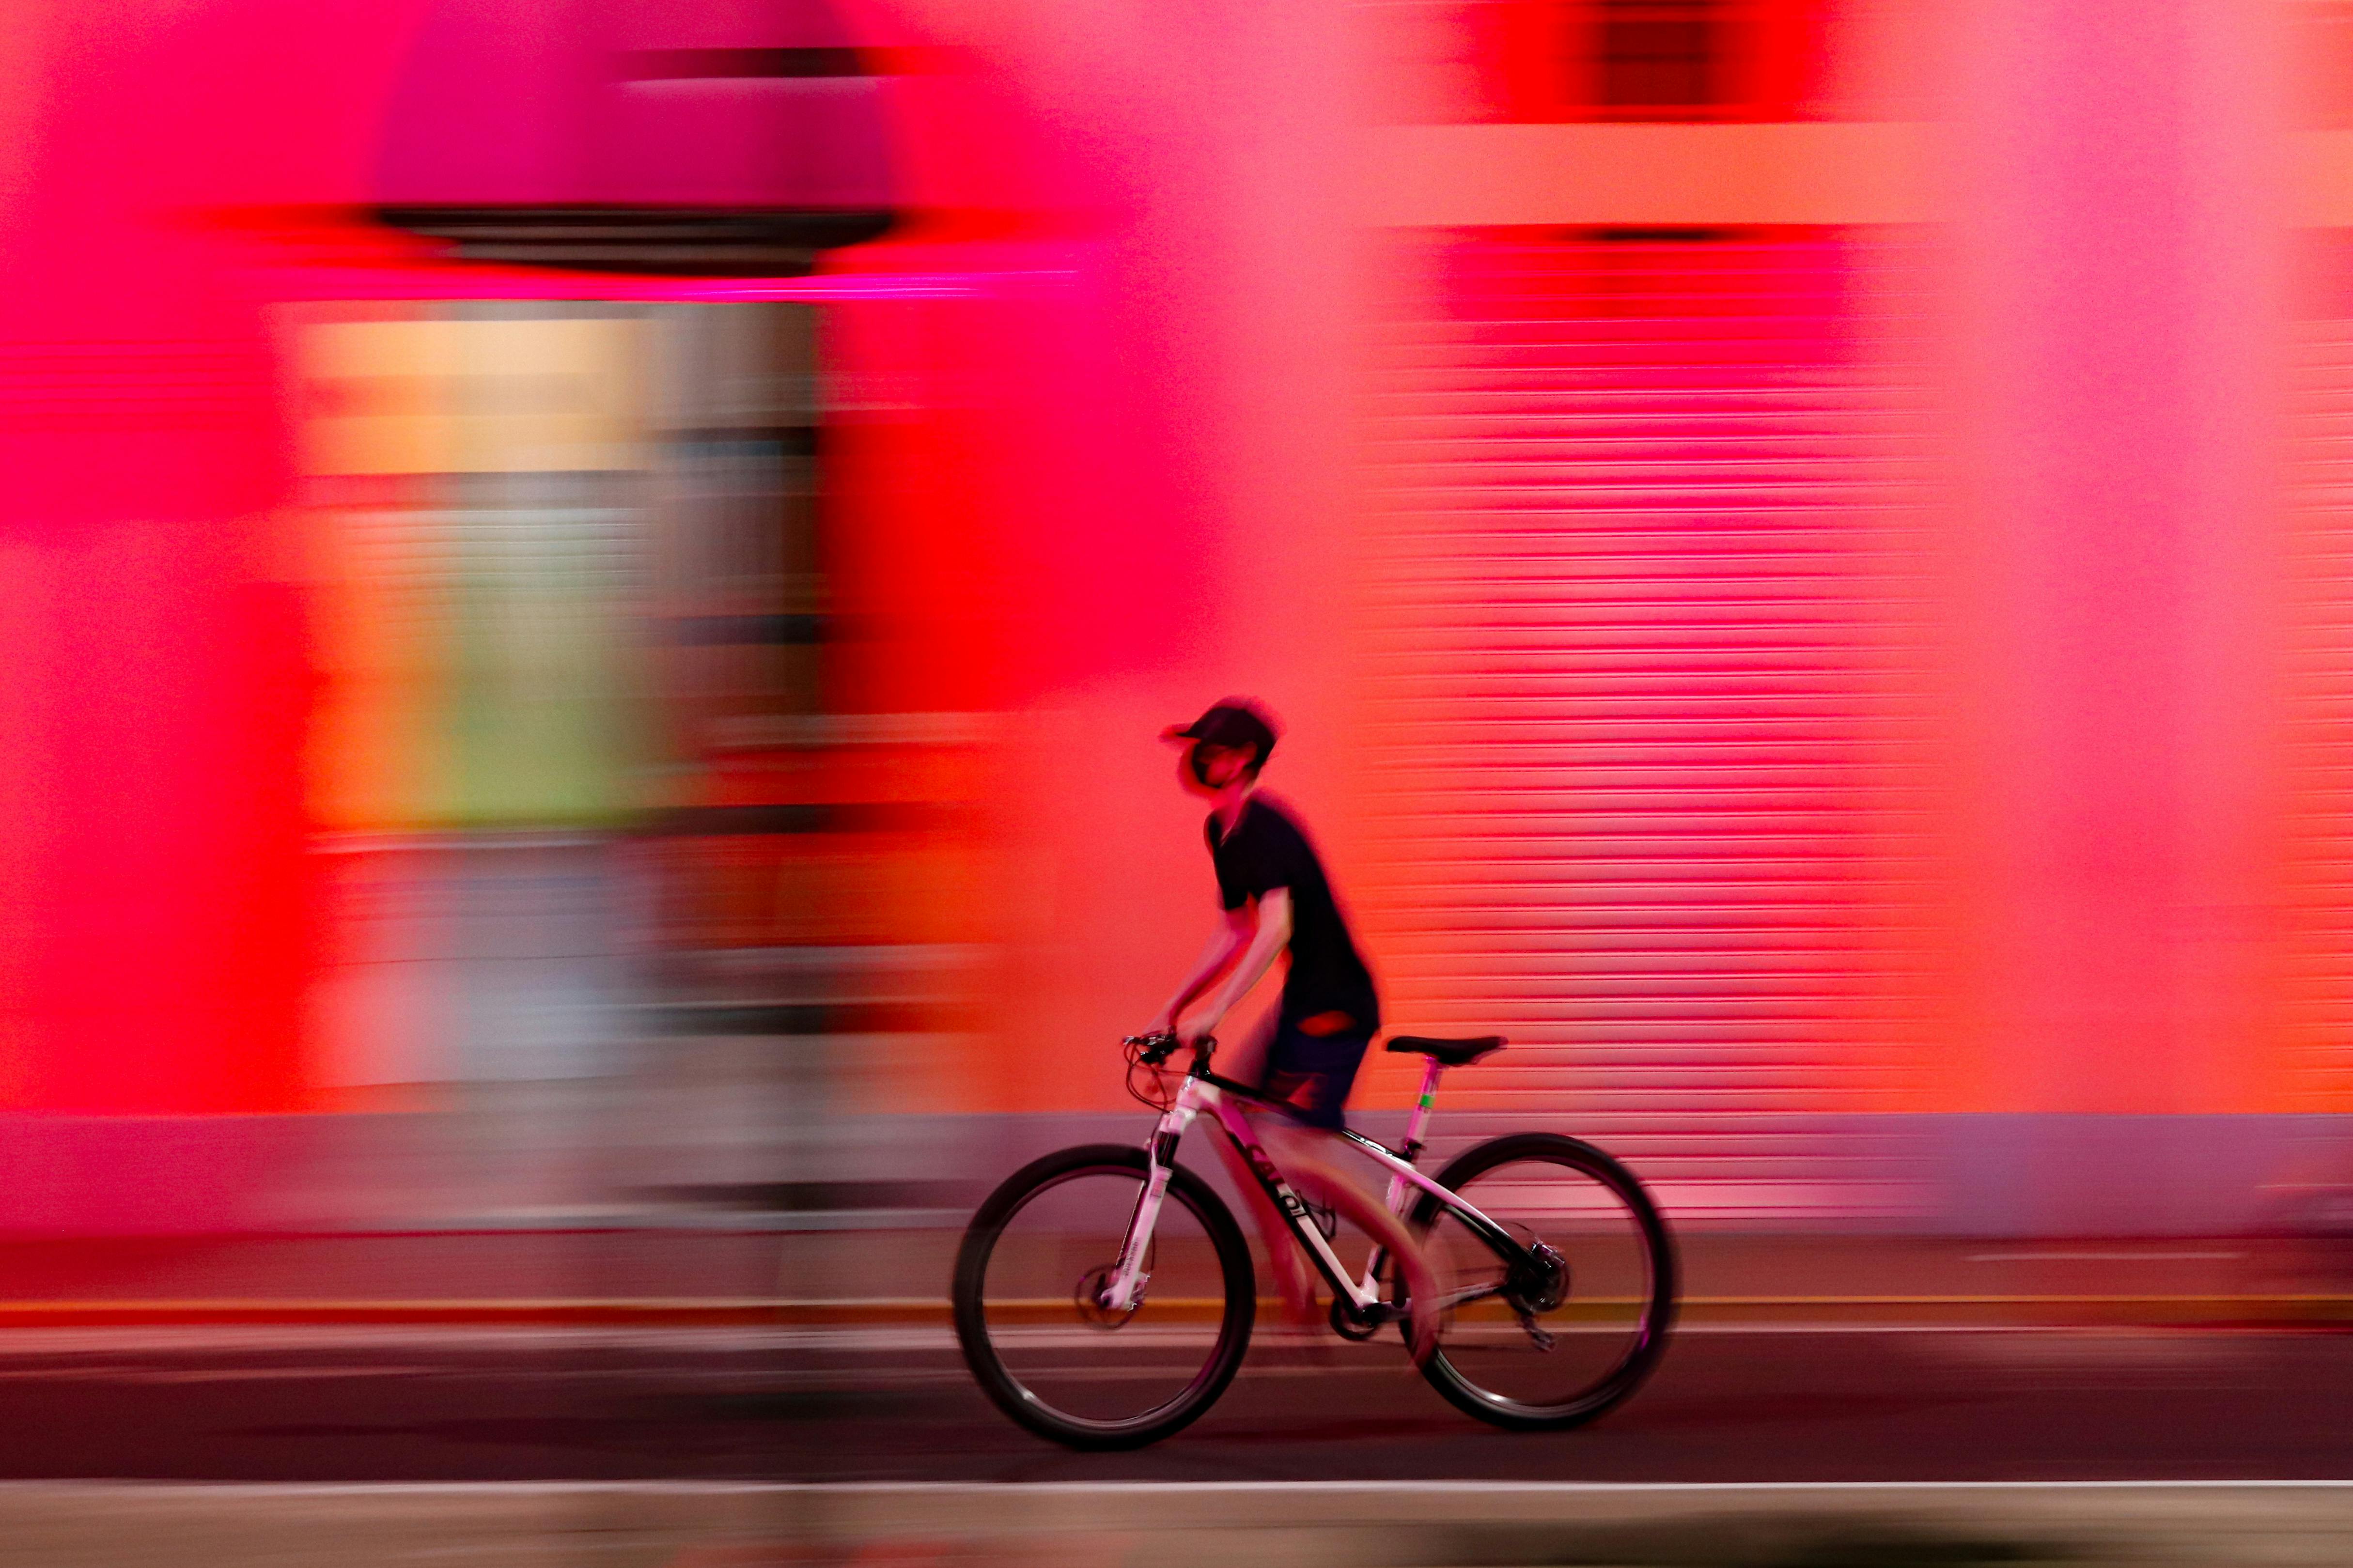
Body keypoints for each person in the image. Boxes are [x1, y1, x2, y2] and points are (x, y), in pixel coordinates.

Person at [1140, 698, 1442, 1358]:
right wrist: (1172, 1008)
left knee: (1294, 1152)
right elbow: (1234, 929)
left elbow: (1277, 925)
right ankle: (1287, 1253)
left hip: (1335, 1003)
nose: (1198, 759)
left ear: (1241, 759)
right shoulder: (1222, 831)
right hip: (1300, 998)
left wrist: (1213, 1012)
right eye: (1196, 748)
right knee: (1231, 1115)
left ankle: (1418, 1262)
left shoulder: (1266, 826)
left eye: (1212, 749)